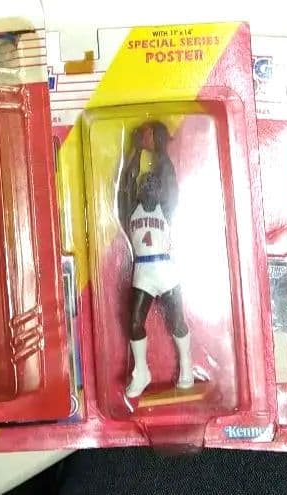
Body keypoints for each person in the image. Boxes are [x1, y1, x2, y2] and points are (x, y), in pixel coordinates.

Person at [117, 121, 193, 398]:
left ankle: (187, 365)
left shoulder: (166, 208)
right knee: (134, 322)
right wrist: (136, 150)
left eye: (153, 185)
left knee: (177, 320)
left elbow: (169, 178)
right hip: (143, 271)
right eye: (145, 185)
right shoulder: (130, 210)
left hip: (166, 270)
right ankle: (141, 371)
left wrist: (159, 147)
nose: (149, 187)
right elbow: (126, 182)